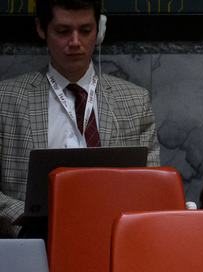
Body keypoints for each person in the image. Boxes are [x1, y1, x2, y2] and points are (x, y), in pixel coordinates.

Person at [0, 0, 160, 237]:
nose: (75, 42)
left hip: (113, 236)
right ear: (41, 29)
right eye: (63, 31)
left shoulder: (134, 101)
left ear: (100, 30)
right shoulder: (6, 99)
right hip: (32, 239)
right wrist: (27, 218)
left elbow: (152, 184)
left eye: (85, 31)